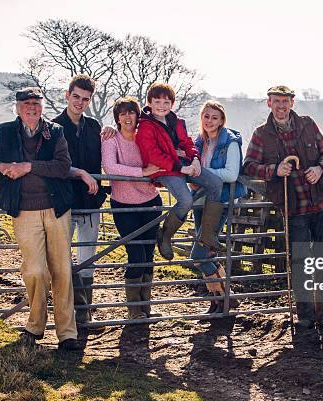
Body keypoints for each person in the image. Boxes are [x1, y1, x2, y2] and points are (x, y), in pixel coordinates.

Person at [0, 87, 82, 350]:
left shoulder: (55, 132)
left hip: (57, 208)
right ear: (18, 107)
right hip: (24, 210)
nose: (32, 108)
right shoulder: (4, 131)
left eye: (36, 103)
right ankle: (35, 326)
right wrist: (1, 166)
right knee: (34, 270)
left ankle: (67, 333)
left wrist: (28, 167)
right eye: (27, 104)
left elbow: (61, 166)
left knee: (62, 270)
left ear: (42, 106)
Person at [243, 85, 323, 333]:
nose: (281, 106)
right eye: (277, 101)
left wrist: (320, 168)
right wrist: (273, 170)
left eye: (285, 101)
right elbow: (249, 166)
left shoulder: (308, 124)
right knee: (299, 261)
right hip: (293, 205)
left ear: (292, 103)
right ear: (269, 103)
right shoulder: (262, 134)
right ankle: (305, 315)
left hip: (322, 203)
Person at [136, 82, 224, 260]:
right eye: (157, 102)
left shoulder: (176, 121)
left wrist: (195, 159)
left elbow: (187, 144)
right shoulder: (145, 126)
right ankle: (165, 236)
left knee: (216, 183)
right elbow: (153, 154)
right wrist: (180, 166)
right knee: (185, 200)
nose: (162, 106)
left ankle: (207, 234)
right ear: (149, 103)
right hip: (165, 169)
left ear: (172, 104)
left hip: (184, 165)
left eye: (166, 102)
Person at [52, 74, 106, 331]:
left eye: (85, 99)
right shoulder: (53, 127)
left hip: (91, 202)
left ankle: (83, 315)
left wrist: (113, 131)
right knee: (62, 257)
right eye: (76, 97)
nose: (80, 102)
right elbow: (54, 165)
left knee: (87, 257)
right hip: (64, 203)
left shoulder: (95, 127)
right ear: (67, 95)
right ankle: (65, 315)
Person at [101, 96, 162, 319]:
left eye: (131, 112)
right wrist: (142, 173)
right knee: (135, 254)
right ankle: (134, 311)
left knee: (148, 255)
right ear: (117, 117)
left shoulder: (144, 137)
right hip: (124, 205)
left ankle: (146, 308)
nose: (127, 117)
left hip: (150, 202)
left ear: (138, 116)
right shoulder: (111, 139)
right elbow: (110, 167)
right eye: (123, 113)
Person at [190, 101, 246, 313]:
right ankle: (217, 300)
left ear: (222, 120)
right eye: (206, 116)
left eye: (214, 117)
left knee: (199, 254)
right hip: (199, 199)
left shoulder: (230, 142)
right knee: (206, 254)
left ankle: (226, 297)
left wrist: (202, 174)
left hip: (218, 201)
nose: (209, 121)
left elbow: (231, 174)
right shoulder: (198, 141)